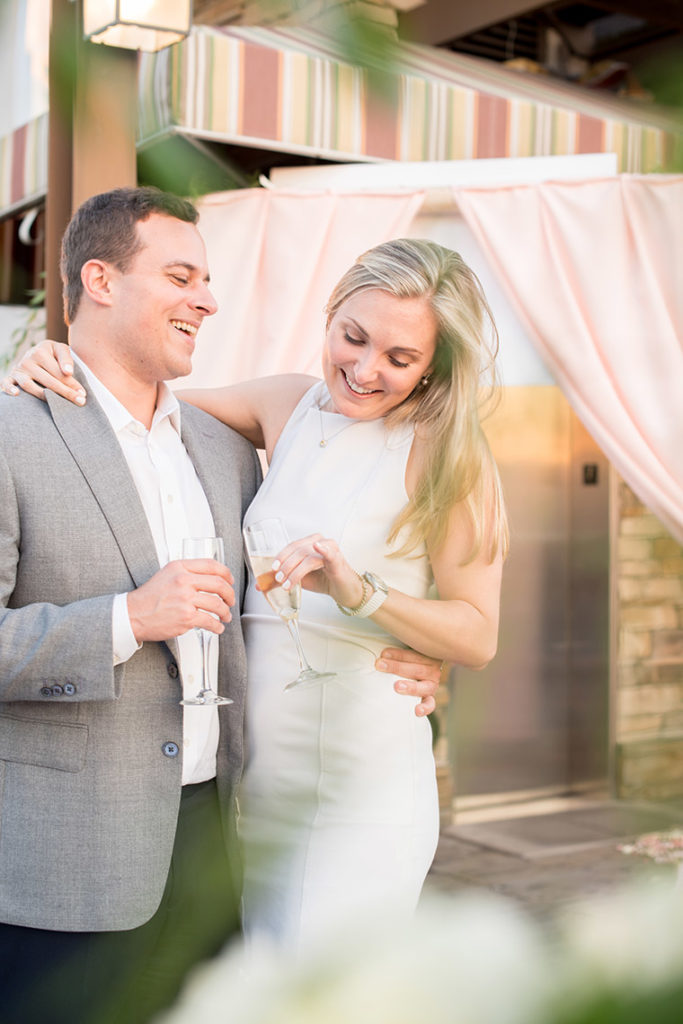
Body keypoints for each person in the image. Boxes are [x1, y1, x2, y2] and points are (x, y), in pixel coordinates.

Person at [6, 237, 507, 956]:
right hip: (259, 782)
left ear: (434, 366)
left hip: (360, 782)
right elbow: (131, 412)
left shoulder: (449, 454)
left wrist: (364, 597)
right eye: (353, 337)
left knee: (319, 983)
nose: (365, 370)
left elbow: (478, 633)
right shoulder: (286, 404)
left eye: (400, 359)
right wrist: (50, 366)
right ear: (330, 314)